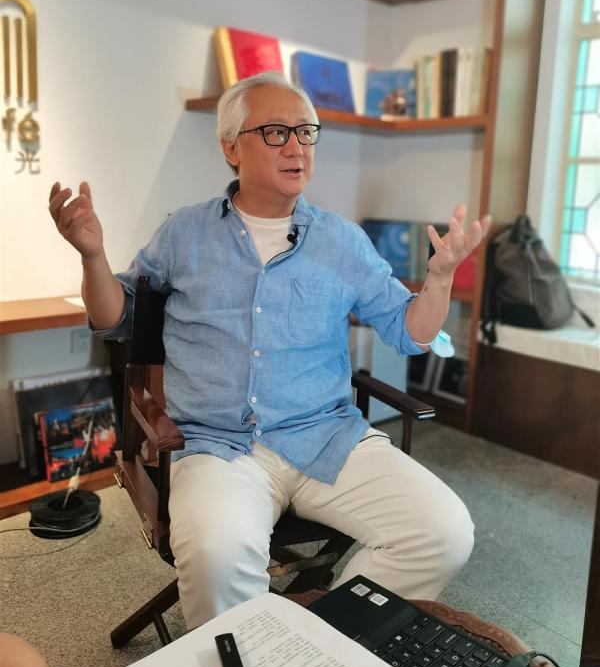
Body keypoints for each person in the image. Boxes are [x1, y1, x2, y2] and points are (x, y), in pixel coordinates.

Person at [49, 70, 491, 631]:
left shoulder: (342, 240)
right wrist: (92, 256)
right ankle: (253, 658)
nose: (297, 147)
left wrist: (440, 279)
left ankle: (322, 639)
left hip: (326, 436)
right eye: (276, 132)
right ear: (231, 148)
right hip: (218, 445)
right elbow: (118, 318)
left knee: (443, 532)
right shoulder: (183, 233)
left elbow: (409, 331)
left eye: (306, 132)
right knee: (217, 558)